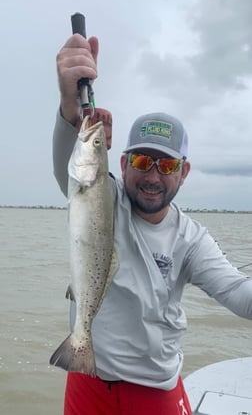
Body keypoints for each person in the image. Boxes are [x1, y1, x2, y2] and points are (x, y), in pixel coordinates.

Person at [52, 33, 252, 415]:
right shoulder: (101, 196)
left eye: (168, 165)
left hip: (154, 389)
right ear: (123, 163)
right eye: (143, 162)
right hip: (86, 376)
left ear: (184, 172)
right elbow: (70, 169)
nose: (153, 176)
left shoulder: (191, 239)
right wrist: (68, 106)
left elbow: (240, 295)